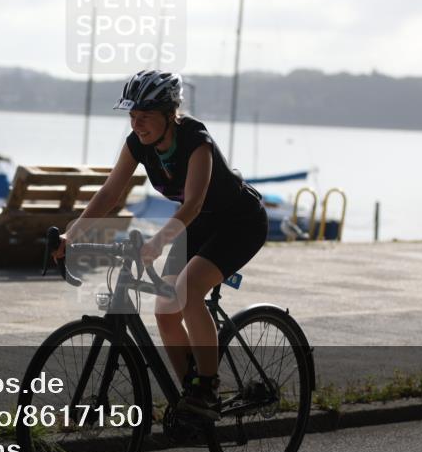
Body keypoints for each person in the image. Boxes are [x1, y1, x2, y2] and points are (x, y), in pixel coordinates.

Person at [52, 70, 268, 419]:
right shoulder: (138, 143)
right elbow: (110, 191)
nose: (137, 125)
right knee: (165, 313)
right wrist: (72, 234)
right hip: (197, 225)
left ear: (170, 114)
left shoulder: (195, 140)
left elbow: (193, 203)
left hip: (239, 222)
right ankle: (190, 399)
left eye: (145, 117)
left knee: (187, 290)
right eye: (132, 117)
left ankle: (207, 390)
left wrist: (156, 242)